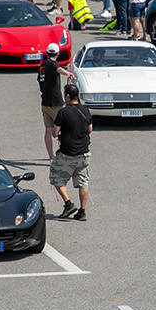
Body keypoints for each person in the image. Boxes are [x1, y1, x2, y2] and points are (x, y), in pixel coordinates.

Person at [50, 85, 93, 220]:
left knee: (56, 177)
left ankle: (68, 204)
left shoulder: (63, 112)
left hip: (68, 153)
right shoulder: (85, 110)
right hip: (84, 153)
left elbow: (55, 133)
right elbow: (90, 129)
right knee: (83, 182)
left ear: (67, 96)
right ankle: (82, 211)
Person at [38, 46, 64, 160]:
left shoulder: (42, 66)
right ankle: (64, 153)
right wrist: (68, 74)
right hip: (55, 102)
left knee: (48, 129)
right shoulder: (53, 64)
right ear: (58, 54)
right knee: (64, 127)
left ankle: (51, 156)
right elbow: (59, 69)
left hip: (45, 101)